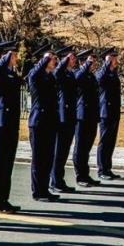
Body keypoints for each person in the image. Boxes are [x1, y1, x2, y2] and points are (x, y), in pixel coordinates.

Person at [0, 40, 22, 214]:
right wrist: (4, 58)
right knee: (0, 163)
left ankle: (4, 199)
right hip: (0, 124)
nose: (15, 57)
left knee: (8, 164)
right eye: (12, 55)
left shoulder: (11, 74)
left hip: (11, 123)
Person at [27, 43, 60, 202]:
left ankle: (44, 189)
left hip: (50, 122)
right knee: (38, 159)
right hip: (38, 122)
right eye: (51, 59)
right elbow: (34, 73)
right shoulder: (35, 75)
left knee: (48, 158)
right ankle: (38, 191)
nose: (54, 61)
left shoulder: (50, 77)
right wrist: (45, 58)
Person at [50, 45, 77, 193]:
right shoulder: (59, 73)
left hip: (70, 116)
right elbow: (57, 72)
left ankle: (59, 180)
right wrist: (64, 60)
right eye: (70, 58)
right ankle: (55, 181)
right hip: (62, 117)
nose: (74, 60)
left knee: (64, 151)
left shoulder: (70, 73)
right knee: (59, 151)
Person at [73, 48, 101, 187]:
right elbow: (78, 80)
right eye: (91, 61)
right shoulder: (79, 73)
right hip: (82, 115)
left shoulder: (91, 76)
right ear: (83, 62)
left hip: (91, 115)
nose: (94, 63)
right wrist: (86, 66)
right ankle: (80, 176)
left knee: (87, 147)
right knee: (80, 147)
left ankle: (85, 174)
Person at [96, 47, 122, 181]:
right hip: (105, 112)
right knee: (105, 141)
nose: (116, 60)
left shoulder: (113, 73)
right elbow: (99, 79)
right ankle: (102, 169)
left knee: (111, 141)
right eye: (113, 58)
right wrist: (106, 63)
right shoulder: (102, 73)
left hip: (114, 111)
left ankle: (107, 168)